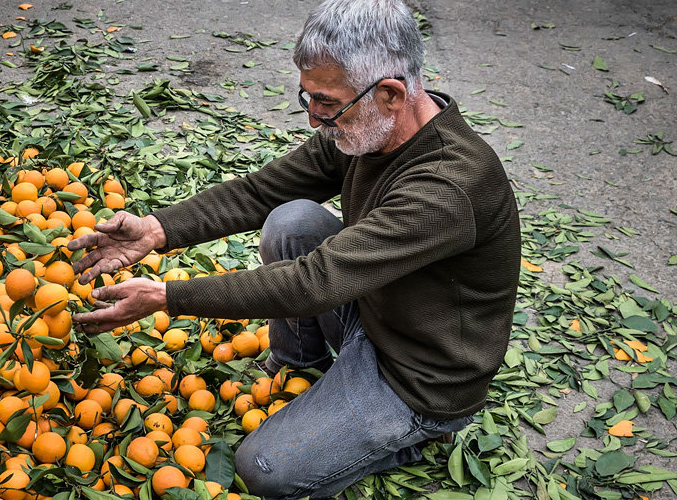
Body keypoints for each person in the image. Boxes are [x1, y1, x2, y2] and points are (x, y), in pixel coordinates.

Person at [67, 0, 521, 497]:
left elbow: (313, 282)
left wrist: (166, 297)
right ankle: (299, 367)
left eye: (326, 103)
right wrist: (156, 230)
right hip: (377, 308)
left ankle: (417, 433)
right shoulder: (366, 124)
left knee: (262, 469)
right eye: (308, 98)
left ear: (390, 94)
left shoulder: (445, 188)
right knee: (292, 220)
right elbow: (262, 192)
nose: (314, 120)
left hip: (418, 374)